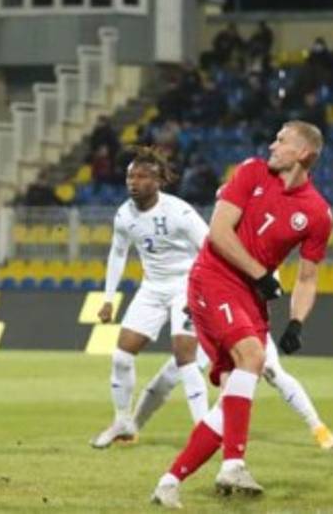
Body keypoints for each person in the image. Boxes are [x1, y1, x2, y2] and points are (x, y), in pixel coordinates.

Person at [150, 121, 332, 508]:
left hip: (250, 296)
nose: (272, 143)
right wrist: (261, 274)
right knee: (253, 357)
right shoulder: (251, 171)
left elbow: (308, 277)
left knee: (231, 397)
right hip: (213, 277)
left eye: (282, 140)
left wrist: (297, 321)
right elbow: (218, 231)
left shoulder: (317, 213)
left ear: (304, 154)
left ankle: (169, 482)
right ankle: (233, 464)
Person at [90, 149, 211, 448]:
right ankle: (122, 421)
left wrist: (200, 291)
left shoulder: (179, 213)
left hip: (186, 285)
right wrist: (108, 298)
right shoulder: (124, 215)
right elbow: (118, 253)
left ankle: (204, 429)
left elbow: (210, 249)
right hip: (152, 288)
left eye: (142, 176)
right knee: (121, 355)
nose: (133, 182)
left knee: (186, 357)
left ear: (157, 181)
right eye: (130, 175)